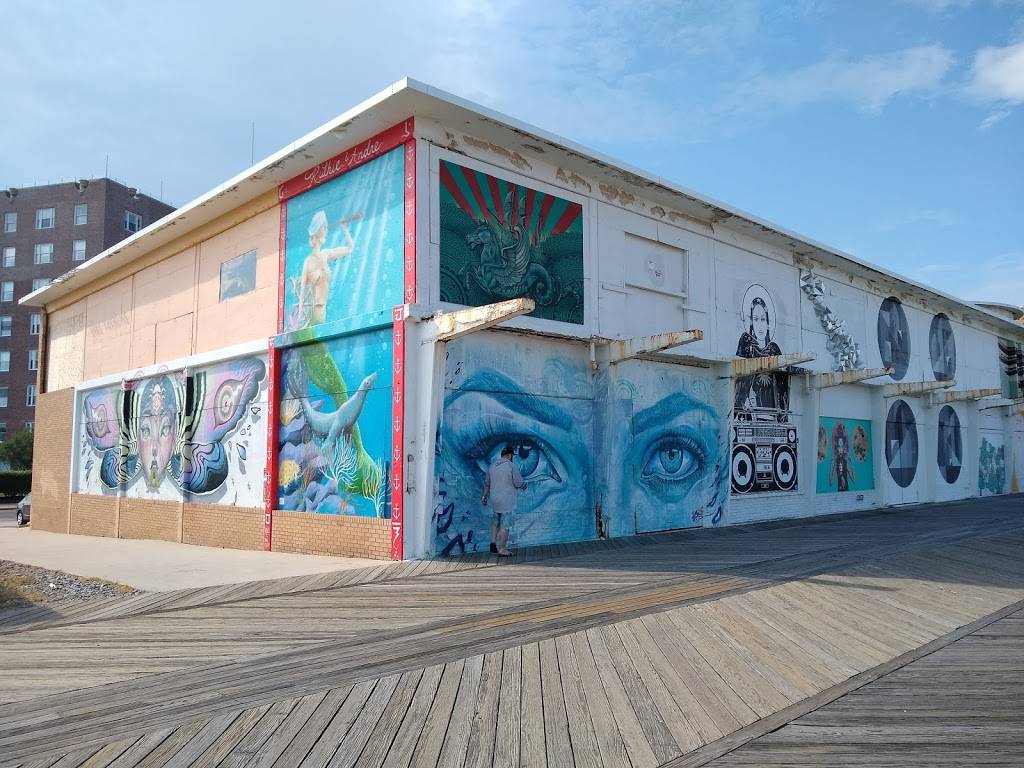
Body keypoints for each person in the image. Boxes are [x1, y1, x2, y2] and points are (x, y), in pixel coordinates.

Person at [296, 210, 357, 327]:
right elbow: (302, 294)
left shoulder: (326, 254)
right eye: (324, 228)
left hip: (322, 310)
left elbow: (350, 248)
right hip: (316, 310)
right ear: (319, 233)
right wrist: (299, 321)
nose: (327, 231)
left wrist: (344, 229)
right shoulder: (308, 262)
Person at [481, 446, 527, 556]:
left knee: (495, 521)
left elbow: (487, 484)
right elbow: (518, 483)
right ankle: (502, 549)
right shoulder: (511, 466)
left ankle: (493, 543)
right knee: (505, 525)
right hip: (506, 500)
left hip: (495, 499)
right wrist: (524, 485)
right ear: (510, 455)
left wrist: (484, 497)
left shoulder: (492, 466)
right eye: (512, 456)